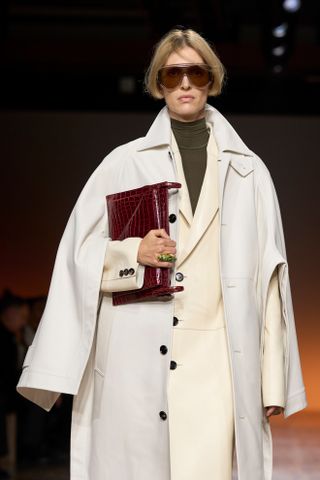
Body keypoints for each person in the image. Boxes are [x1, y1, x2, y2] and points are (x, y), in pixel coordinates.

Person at [17, 28, 307, 480]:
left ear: (211, 79)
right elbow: (77, 254)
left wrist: (271, 378)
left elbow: (271, 278)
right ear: (158, 83)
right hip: (135, 354)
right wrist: (134, 251)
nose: (185, 84)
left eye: (196, 72)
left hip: (218, 363)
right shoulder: (123, 163)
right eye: (173, 75)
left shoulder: (249, 171)